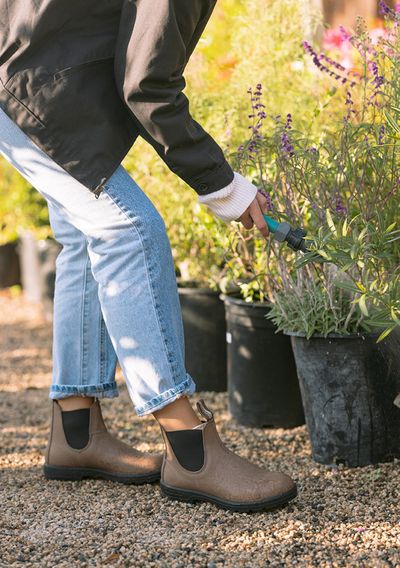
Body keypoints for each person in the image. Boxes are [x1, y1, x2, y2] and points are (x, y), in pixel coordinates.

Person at [0, 0, 297, 512]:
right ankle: (190, 451)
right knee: (128, 228)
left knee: (85, 232)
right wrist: (224, 186)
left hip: (27, 63)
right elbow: (147, 84)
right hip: (25, 79)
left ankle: (76, 432)